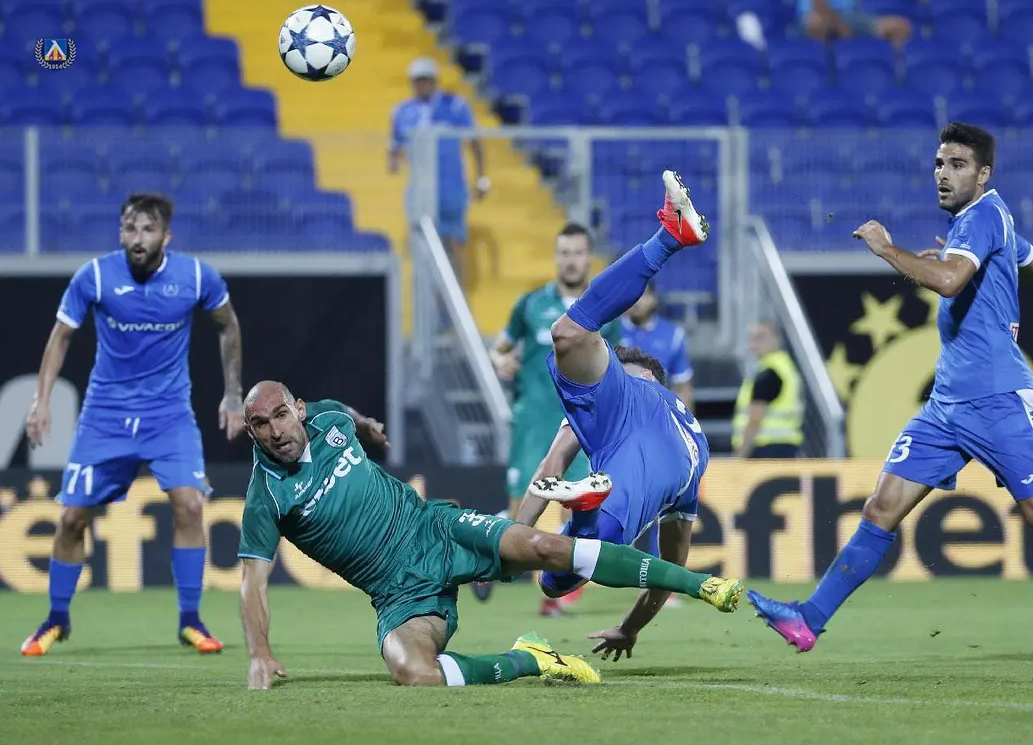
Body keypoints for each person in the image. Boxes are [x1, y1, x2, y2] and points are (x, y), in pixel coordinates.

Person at [747, 123, 1033, 650]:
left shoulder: (982, 217)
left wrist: (888, 248)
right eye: (939, 163)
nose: (943, 173)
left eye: (957, 165)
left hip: (998, 399)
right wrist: (988, 264)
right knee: (881, 508)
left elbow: (950, 281)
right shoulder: (986, 221)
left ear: (983, 175)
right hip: (945, 406)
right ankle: (809, 619)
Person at [237, 381, 743, 689]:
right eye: (260, 424)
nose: (275, 431)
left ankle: (701, 585)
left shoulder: (325, 416)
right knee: (414, 673)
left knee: (543, 546)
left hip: (434, 529)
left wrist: (367, 424)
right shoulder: (267, 496)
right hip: (397, 593)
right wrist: (260, 651)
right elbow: (252, 584)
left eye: (281, 415)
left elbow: (342, 411)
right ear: (251, 430)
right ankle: (531, 659)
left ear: (298, 409)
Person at [21, 193, 245, 657]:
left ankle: (190, 620)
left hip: (169, 415)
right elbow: (60, 337)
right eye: (129, 228)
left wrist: (232, 394)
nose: (137, 238)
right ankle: (56, 619)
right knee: (71, 518)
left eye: (147, 229)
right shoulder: (95, 275)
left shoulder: (196, 277)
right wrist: (41, 401)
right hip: (105, 416)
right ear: (120, 232)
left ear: (166, 236)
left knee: (190, 506)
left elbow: (228, 325)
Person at [518, 171, 718, 661]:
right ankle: (586, 512)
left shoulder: (621, 393)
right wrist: (630, 629)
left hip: (620, 479)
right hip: (664, 476)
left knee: (553, 580)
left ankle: (669, 237)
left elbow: (550, 468)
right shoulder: (688, 439)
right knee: (567, 566)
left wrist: (512, 536)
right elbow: (672, 567)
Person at [485, 222, 620, 611]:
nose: (570, 260)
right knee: (520, 509)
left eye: (577, 252)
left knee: (576, 507)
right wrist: (500, 360)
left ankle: (556, 594)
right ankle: (488, 558)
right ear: (556, 257)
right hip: (532, 421)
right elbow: (499, 347)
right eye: (564, 253)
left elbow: (616, 365)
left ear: (588, 257)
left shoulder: (605, 309)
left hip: (578, 424)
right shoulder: (530, 305)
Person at [389, 56, 488, 289]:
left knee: (455, 243)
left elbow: (475, 144)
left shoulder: (455, 106)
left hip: (451, 187)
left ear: (435, 81)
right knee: (422, 247)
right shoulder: (402, 111)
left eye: (427, 80)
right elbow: (394, 147)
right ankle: (427, 301)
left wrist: (482, 178)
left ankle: (457, 299)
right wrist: (398, 160)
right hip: (420, 190)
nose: (423, 85)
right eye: (418, 80)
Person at [732, 320, 804, 459]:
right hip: (785, 447)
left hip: (765, 450)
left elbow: (755, 418)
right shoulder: (784, 366)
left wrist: (740, 455)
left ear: (775, 339)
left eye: (760, 337)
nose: (754, 343)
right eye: (751, 337)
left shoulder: (769, 373)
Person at [621, 282, 695, 410]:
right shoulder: (610, 331)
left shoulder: (672, 334)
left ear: (654, 298)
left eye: (643, 295)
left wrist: (684, 421)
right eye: (632, 295)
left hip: (658, 411)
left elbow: (682, 386)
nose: (637, 301)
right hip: (620, 411)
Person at [799, 0, 921, 50]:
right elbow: (816, 0)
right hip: (819, 13)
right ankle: (824, 73)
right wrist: (840, 25)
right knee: (817, 23)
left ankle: (895, 76)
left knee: (900, 27)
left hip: (851, 16)